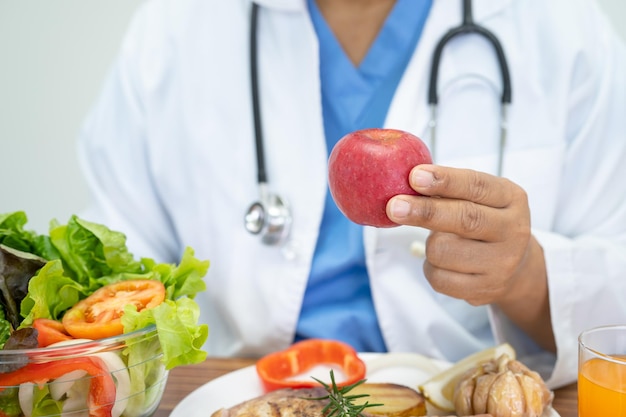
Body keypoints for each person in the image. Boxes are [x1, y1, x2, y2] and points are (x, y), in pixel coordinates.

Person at [77, 0, 626, 390]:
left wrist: (525, 272)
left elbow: (616, 293)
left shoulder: (561, 27)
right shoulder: (172, 30)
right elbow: (111, 281)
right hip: (245, 390)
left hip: (467, 392)